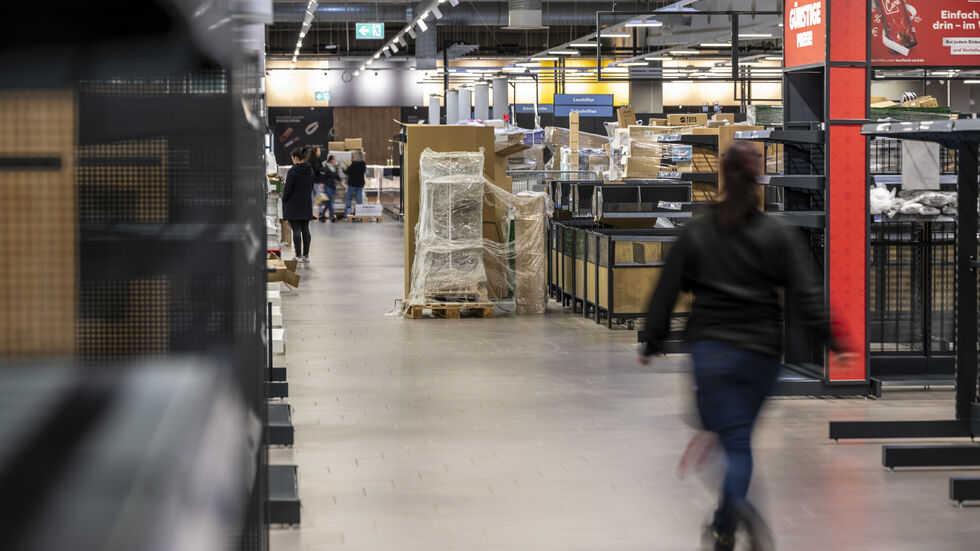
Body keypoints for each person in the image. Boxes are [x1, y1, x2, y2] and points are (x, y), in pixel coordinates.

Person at [639, 141, 852, 551]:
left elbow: (667, 288)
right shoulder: (775, 233)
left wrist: (652, 339)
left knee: (728, 441)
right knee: (738, 441)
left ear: (721, 176)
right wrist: (834, 339)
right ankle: (727, 518)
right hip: (760, 354)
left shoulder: (699, 230)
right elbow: (805, 293)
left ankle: (731, 519)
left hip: (711, 351)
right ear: (759, 181)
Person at [282, 146, 315, 263]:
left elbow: (287, 190)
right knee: (305, 229)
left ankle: (298, 255)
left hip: (294, 204)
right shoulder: (310, 170)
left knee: (296, 229)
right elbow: (311, 186)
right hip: (306, 203)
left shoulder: (293, 171)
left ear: (295, 158)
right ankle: (306, 256)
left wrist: (284, 199)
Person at [318, 154, 342, 222]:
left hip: (333, 187)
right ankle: (332, 216)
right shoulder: (324, 168)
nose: (335, 161)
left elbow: (337, 177)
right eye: (334, 159)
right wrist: (321, 188)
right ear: (331, 160)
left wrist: (343, 184)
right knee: (330, 200)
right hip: (327, 187)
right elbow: (322, 179)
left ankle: (322, 215)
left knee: (328, 201)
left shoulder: (334, 168)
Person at [344, 149, 367, 217]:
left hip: (352, 183)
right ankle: (360, 213)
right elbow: (364, 172)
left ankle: (347, 213)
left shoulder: (353, 164)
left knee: (349, 198)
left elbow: (347, 172)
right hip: (360, 183)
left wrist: (345, 167)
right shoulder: (363, 164)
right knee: (359, 198)